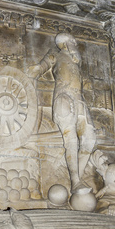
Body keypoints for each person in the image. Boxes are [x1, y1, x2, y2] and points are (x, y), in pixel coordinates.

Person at [28, 33, 96, 193]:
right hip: (63, 98)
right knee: (70, 139)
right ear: (66, 43)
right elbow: (42, 66)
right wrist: (35, 70)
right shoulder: (55, 55)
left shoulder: (75, 59)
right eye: (73, 41)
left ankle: (76, 181)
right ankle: (76, 181)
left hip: (78, 100)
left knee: (90, 139)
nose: (75, 43)